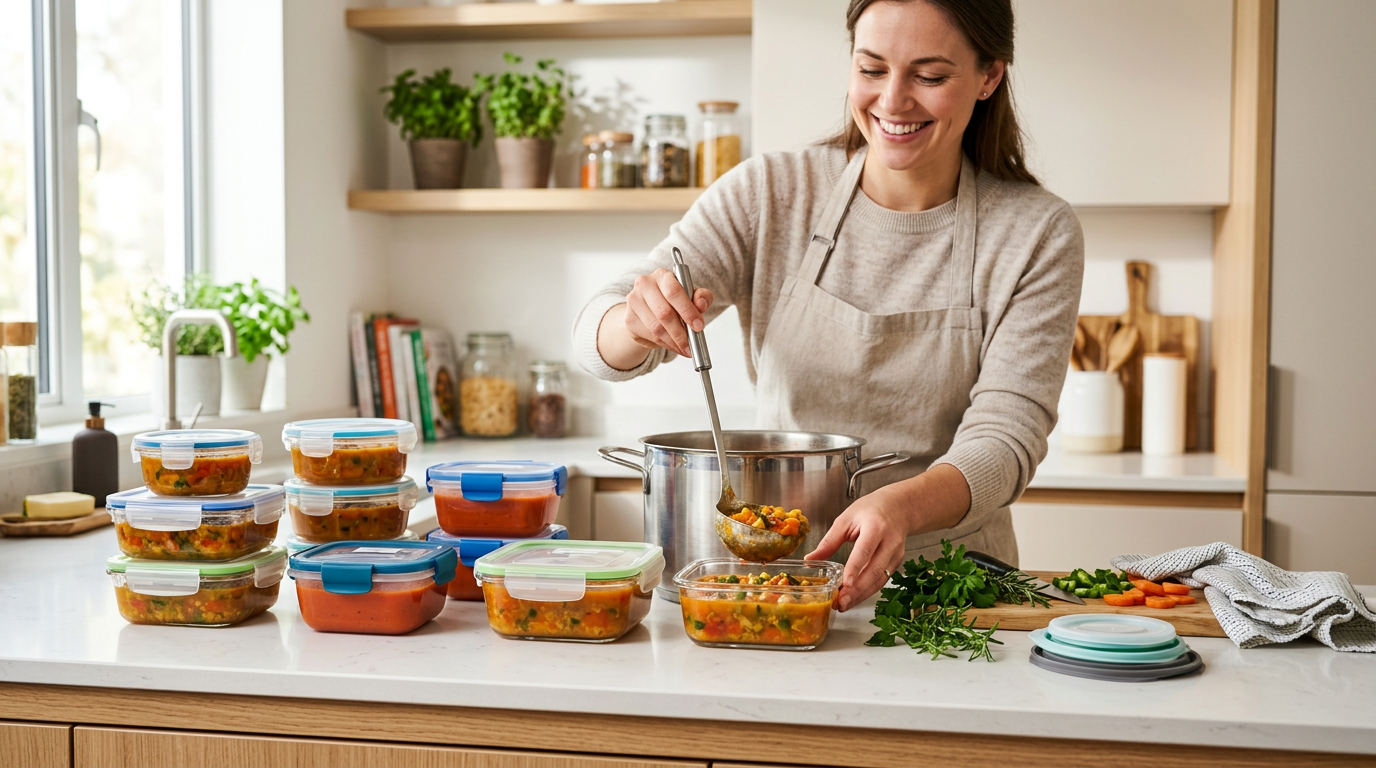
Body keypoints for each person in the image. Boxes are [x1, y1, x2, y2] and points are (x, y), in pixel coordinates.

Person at [572, 0, 1083, 612]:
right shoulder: (772, 193)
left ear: (988, 77)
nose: (893, 101)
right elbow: (593, 340)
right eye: (871, 69)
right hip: (778, 585)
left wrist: (902, 504)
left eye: (930, 76)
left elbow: (1008, 437)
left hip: (955, 596)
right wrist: (635, 321)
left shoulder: (1036, 231)